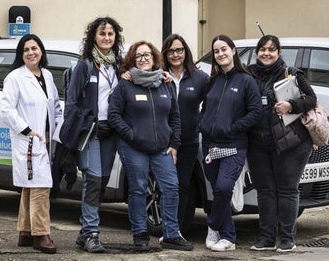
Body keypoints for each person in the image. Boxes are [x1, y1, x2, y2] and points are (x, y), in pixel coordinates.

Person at [108, 41, 194, 251]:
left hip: (161, 148)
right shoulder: (125, 85)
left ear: (155, 59)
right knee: (138, 189)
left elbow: (174, 116)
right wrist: (131, 135)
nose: (144, 59)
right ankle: (140, 234)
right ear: (132, 61)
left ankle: (171, 234)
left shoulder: (165, 83)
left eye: (147, 55)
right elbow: (114, 115)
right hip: (133, 147)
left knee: (171, 187)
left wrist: (174, 143)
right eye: (138, 56)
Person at [247, 34, 317, 252]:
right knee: (265, 190)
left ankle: (287, 239)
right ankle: (266, 238)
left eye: (271, 49)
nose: (266, 53)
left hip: (290, 142)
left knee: (287, 190)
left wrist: (291, 105)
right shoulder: (249, 74)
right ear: (257, 52)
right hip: (258, 142)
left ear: (279, 53)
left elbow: (311, 98)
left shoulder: (291, 73)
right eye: (262, 49)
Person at [198, 34, 262, 252]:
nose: (221, 54)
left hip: (234, 145)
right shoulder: (212, 81)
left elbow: (255, 112)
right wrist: (202, 124)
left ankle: (213, 225)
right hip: (210, 145)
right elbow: (205, 109)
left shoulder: (246, 81)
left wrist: (233, 128)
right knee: (217, 190)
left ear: (233, 51)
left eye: (224, 49)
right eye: (216, 51)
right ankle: (228, 237)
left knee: (224, 188)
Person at [65, 17, 124, 253]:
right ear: (94, 37)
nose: (107, 38)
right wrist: (80, 124)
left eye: (111, 34)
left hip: (111, 132)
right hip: (91, 132)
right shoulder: (85, 65)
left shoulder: (118, 66)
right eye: (102, 34)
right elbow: (71, 101)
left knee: (101, 182)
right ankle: (91, 233)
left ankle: (84, 233)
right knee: (94, 179)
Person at [0, 34, 61, 254]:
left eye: (34, 48)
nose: (31, 52)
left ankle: (25, 232)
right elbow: (6, 109)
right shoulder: (15, 77)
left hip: (45, 138)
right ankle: (41, 235)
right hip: (29, 139)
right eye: (25, 50)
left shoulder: (47, 76)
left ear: (41, 51)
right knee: (41, 187)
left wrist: (58, 129)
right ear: (21, 54)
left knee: (30, 186)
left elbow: (54, 107)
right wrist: (26, 130)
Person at [161, 34, 209, 234]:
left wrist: (201, 122)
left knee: (182, 185)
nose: (175, 55)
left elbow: (212, 103)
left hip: (188, 141)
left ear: (186, 51)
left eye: (179, 50)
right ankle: (166, 228)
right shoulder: (158, 74)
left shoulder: (199, 77)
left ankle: (178, 230)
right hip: (162, 141)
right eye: (171, 51)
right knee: (165, 186)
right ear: (165, 54)